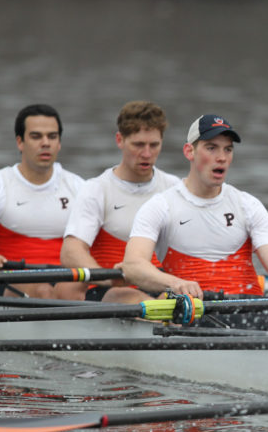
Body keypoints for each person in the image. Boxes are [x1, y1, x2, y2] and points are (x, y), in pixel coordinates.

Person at [121, 114, 268, 299]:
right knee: (119, 295)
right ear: (189, 151)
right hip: (191, 310)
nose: (221, 158)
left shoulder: (248, 205)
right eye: (211, 148)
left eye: (227, 149)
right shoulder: (161, 206)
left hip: (248, 310)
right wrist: (175, 283)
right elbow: (133, 266)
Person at [61, 101, 180, 303]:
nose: (147, 154)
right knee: (127, 295)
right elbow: (71, 252)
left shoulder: (174, 188)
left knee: (178, 297)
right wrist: (108, 278)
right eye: (138, 145)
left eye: (154, 145)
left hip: (161, 287)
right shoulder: (97, 189)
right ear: (120, 140)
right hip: (112, 291)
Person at [0, 103, 86, 299]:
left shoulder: (79, 188)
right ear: (20, 142)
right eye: (36, 136)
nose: (45, 143)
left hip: (66, 282)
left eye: (52, 136)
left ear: (59, 143)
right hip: (9, 280)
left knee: (68, 290)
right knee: (43, 290)